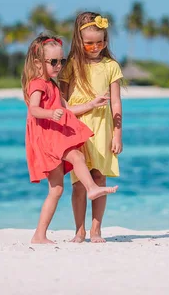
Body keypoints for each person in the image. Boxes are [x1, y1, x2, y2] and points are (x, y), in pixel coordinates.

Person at [22, 33, 118, 244]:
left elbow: (68, 109)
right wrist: (50, 114)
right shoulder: (37, 84)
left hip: (53, 136)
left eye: (61, 61)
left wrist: (92, 104)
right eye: (53, 62)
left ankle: (39, 235)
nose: (59, 66)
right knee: (76, 156)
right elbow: (34, 109)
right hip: (47, 138)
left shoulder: (53, 86)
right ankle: (92, 188)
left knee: (56, 190)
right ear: (38, 63)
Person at [59, 12, 124, 243]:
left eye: (100, 42)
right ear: (79, 41)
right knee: (78, 183)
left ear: (105, 42)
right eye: (89, 43)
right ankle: (80, 230)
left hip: (103, 127)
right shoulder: (71, 66)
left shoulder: (111, 66)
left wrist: (117, 133)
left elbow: (116, 102)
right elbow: (62, 101)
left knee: (99, 178)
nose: (95, 47)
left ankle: (96, 229)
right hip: (77, 128)